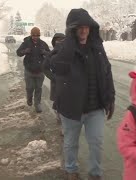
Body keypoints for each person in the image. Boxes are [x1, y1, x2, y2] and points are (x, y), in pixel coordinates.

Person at [51, 8, 115, 180]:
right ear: (72, 29)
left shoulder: (97, 47)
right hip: (71, 109)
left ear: (91, 28)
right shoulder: (63, 48)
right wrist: (69, 45)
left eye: (86, 27)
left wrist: (110, 99)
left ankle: (95, 173)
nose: (83, 30)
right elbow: (56, 68)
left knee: (96, 143)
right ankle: (71, 170)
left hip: (95, 108)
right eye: (79, 27)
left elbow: (107, 72)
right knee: (71, 143)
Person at [16, 27, 50, 113]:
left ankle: (37, 104)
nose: (35, 37)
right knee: (30, 87)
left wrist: (45, 53)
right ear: (31, 35)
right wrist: (25, 51)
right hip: (29, 70)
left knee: (38, 88)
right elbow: (18, 52)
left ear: (39, 35)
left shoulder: (43, 44)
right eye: (34, 35)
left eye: (37, 35)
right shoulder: (26, 43)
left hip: (40, 71)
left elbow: (50, 54)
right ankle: (29, 98)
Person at [42, 33, 66, 123]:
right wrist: (53, 77)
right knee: (58, 101)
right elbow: (45, 68)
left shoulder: (71, 52)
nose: (60, 42)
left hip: (70, 83)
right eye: (58, 40)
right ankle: (60, 117)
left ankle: (64, 122)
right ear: (54, 42)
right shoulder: (51, 54)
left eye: (62, 40)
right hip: (57, 83)